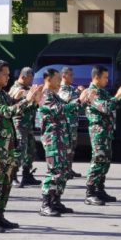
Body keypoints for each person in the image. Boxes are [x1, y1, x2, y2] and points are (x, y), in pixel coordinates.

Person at [0, 60, 43, 233]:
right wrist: (26, 100)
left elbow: (17, 109)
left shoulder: (2, 93)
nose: (8, 77)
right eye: (5, 74)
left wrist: (33, 102)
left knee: (6, 182)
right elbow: (7, 111)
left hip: (7, 145)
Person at [38, 69, 93, 217]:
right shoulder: (45, 95)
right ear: (48, 79)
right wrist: (79, 100)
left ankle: (56, 200)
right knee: (54, 171)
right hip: (53, 139)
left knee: (62, 171)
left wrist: (84, 100)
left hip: (62, 138)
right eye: (57, 78)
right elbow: (60, 110)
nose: (59, 81)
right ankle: (45, 204)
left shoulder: (54, 95)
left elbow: (70, 109)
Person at [83, 66, 121, 206]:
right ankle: (90, 193)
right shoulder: (92, 92)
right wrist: (118, 95)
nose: (107, 79)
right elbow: (105, 107)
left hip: (106, 131)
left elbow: (113, 105)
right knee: (98, 160)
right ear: (96, 77)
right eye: (105, 77)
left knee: (105, 160)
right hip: (98, 131)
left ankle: (99, 189)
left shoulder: (101, 91)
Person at [11, 66, 39, 188]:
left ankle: (27, 175)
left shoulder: (28, 88)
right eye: (30, 78)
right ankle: (12, 176)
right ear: (23, 77)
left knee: (31, 151)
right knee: (19, 151)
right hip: (19, 124)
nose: (32, 81)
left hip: (28, 124)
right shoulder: (15, 89)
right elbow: (15, 107)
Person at [58, 66, 83, 179]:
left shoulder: (71, 88)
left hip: (73, 123)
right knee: (66, 147)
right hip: (66, 123)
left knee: (72, 147)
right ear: (64, 76)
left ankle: (69, 168)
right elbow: (68, 101)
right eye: (71, 75)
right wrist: (80, 94)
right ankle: (64, 170)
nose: (73, 77)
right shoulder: (62, 89)